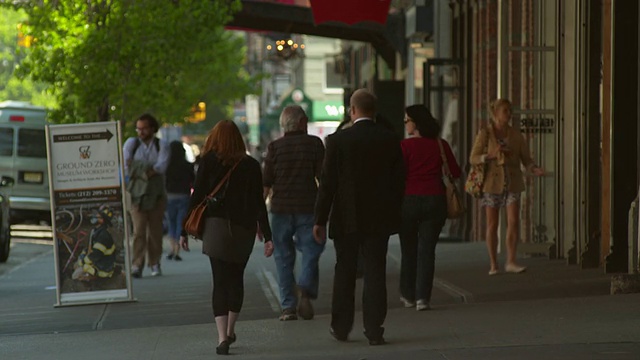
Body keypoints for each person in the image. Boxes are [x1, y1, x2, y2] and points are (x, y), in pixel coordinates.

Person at [314, 89, 405, 346]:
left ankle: (341, 326)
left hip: (346, 216)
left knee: (344, 270)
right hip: (379, 218)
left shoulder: (338, 141)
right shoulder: (389, 139)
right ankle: (374, 329)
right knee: (376, 270)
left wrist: (319, 219)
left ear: (352, 111)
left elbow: (328, 184)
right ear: (373, 111)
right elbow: (399, 181)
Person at [180, 120, 274, 356]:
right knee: (236, 279)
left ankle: (222, 337)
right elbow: (258, 203)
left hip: (216, 228)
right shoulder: (251, 165)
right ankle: (231, 329)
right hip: (244, 229)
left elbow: (197, 195)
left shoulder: (209, 162)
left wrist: (183, 230)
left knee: (219, 281)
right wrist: (267, 234)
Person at [263, 105, 325, 321]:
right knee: (311, 249)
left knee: (283, 257)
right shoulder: (314, 144)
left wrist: (259, 218)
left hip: (280, 209)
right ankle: (306, 288)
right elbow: (323, 179)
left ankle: (288, 307)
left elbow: (266, 184)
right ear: (301, 122)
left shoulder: (274, 147)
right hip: (308, 206)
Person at [469, 98, 545, 275]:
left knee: (513, 221)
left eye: (510, 111)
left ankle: (511, 260)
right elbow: (473, 157)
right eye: (505, 111)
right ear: (495, 113)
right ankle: (493, 263)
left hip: (512, 181)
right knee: (492, 224)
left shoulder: (516, 136)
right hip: (491, 183)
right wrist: (490, 155)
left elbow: (526, 159)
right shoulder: (485, 134)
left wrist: (534, 169)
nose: (509, 114)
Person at [399, 105, 461, 311]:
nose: (405, 124)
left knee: (408, 250)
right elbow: (455, 171)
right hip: (435, 200)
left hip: (409, 201)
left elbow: (396, 175)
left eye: (407, 120)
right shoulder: (440, 144)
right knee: (427, 251)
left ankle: (407, 295)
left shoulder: (404, 147)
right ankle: (422, 298)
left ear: (415, 123)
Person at [123, 113, 169, 278]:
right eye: (139, 129)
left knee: (155, 231)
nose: (141, 132)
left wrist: (137, 168)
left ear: (152, 129)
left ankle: (155, 263)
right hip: (137, 195)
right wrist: (148, 170)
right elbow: (126, 165)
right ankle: (137, 264)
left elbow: (162, 166)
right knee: (139, 230)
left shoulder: (161, 145)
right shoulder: (131, 143)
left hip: (156, 194)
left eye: (144, 129)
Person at [165, 140, 194, 261]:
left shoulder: (166, 166)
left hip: (169, 196)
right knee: (180, 223)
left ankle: (173, 247)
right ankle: (177, 250)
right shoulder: (187, 165)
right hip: (183, 196)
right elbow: (193, 180)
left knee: (171, 223)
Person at [72, 205, 116, 281]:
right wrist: (83, 254)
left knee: (75, 276)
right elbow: (90, 248)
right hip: (98, 262)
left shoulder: (103, 235)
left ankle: (92, 281)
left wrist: (83, 261)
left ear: (102, 220)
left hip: (102, 268)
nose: (95, 216)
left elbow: (95, 255)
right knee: (76, 265)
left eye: (98, 215)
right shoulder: (96, 231)